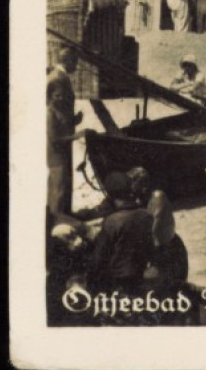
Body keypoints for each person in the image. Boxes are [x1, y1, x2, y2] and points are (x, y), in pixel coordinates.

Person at [89, 172, 155, 294]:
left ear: (110, 195)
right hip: (143, 274)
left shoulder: (112, 221)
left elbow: (99, 259)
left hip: (120, 282)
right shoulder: (147, 215)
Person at [47, 49, 82, 222]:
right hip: (59, 140)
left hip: (64, 135)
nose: (76, 66)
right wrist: (74, 133)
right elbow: (56, 110)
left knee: (65, 179)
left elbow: (62, 111)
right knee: (59, 182)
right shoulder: (57, 79)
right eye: (74, 62)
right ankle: (57, 218)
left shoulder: (62, 77)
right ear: (67, 60)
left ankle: (65, 215)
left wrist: (73, 121)